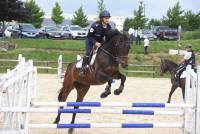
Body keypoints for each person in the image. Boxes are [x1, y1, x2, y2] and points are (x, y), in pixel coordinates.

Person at [79, 10, 112, 76]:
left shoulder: (109, 27)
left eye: (108, 18)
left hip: (100, 42)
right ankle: (82, 69)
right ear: (102, 18)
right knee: (88, 53)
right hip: (90, 41)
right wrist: (95, 43)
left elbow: (108, 37)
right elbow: (89, 36)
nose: (107, 19)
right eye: (106, 18)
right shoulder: (95, 25)